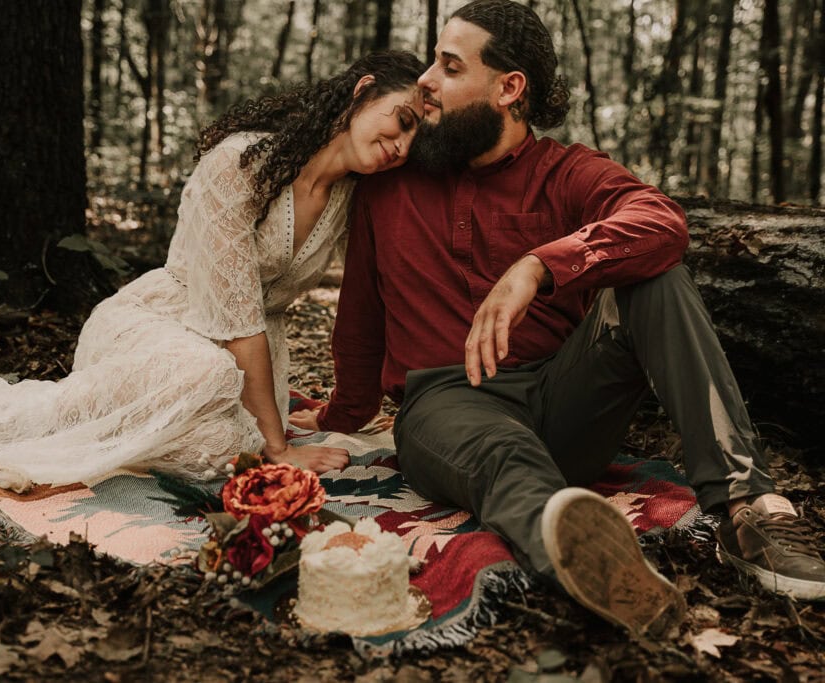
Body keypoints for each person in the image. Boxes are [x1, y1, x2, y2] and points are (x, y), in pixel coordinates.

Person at [293, 0, 825, 637]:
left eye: (450, 65)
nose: (427, 80)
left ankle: (749, 506)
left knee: (655, 273)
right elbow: (360, 319)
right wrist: (338, 418)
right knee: (502, 453)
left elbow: (663, 222)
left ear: (508, 88)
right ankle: (601, 568)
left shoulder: (567, 172)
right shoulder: (391, 181)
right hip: (449, 407)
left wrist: (538, 266)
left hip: (564, 398)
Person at [0, 51, 426, 492]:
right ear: (361, 92)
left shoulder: (356, 199)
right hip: (168, 327)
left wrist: (343, 413)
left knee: (220, 448)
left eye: (413, 140)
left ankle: (197, 428)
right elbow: (235, 319)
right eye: (400, 120)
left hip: (254, 364)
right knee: (215, 394)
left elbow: (373, 303)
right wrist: (278, 451)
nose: (400, 145)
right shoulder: (242, 161)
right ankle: (9, 424)